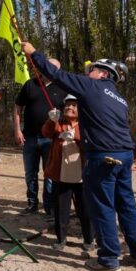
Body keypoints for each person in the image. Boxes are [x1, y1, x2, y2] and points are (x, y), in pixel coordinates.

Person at [22, 41, 136, 271]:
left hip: (103, 156)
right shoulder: (120, 99)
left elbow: (55, 74)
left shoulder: (93, 86)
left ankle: (109, 259)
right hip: (124, 154)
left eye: (92, 69)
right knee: (126, 205)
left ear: (102, 73)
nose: (87, 72)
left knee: (102, 207)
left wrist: (33, 54)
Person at [41, 94, 94, 253]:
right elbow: (45, 132)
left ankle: (89, 239)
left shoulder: (87, 123)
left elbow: (92, 141)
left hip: (82, 175)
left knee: (85, 209)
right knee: (61, 209)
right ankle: (61, 238)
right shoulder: (59, 122)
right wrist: (51, 120)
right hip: (61, 174)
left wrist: (76, 137)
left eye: (74, 105)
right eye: (67, 105)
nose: (69, 107)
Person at [13, 59, 66, 216]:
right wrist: (17, 130)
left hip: (51, 139)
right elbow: (17, 108)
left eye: (54, 68)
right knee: (30, 172)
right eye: (46, 66)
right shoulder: (30, 84)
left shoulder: (62, 87)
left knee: (49, 173)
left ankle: (49, 205)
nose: (49, 70)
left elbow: (71, 112)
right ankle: (32, 202)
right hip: (29, 137)